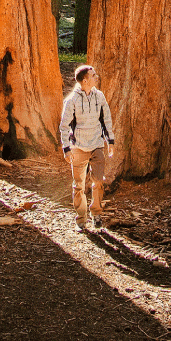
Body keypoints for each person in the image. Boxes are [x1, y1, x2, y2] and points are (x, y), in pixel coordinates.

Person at [59, 64, 114, 230]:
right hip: (78, 147)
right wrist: (66, 148)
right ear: (85, 80)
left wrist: (110, 141)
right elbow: (64, 126)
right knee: (79, 185)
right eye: (93, 75)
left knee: (98, 181)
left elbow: (106, 119)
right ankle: (81, 219)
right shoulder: (72, 100)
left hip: (97, 145)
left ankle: (96, 213)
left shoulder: (100, 96)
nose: (97, 77)